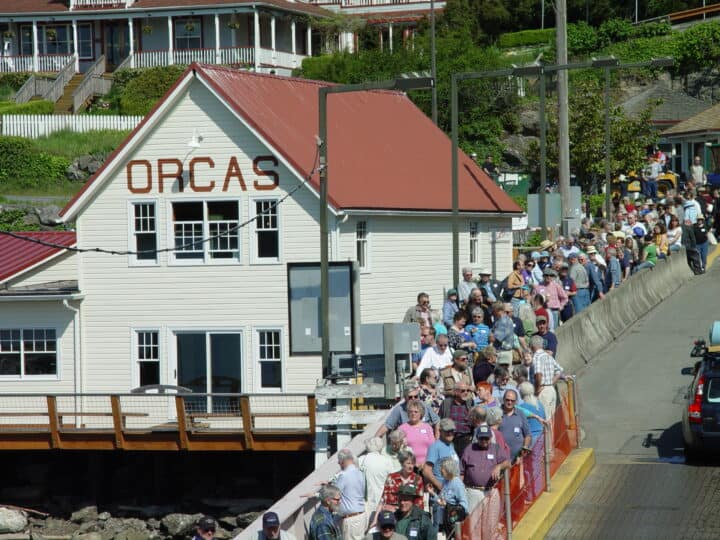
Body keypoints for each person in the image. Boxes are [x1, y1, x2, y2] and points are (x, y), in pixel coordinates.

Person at [460, 425, 510, 512]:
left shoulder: (496, 448)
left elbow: (508, 462)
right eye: (481, 438)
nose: (484, 441)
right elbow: (461, 472)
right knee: (474, 523)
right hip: (473, 491)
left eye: (486, 438)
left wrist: (498, 467)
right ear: (477, 438)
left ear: (490, 438)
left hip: (492, 491)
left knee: (491, 523)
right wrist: (461, 491)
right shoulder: (469, 449)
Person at [334, 448, 367, 540]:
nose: (338, 463)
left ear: (342, 461)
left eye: (339, 461)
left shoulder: (344, 475)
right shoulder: (361, 473)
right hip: (361, 515)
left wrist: (316, 494)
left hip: (351, 519)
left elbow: (334, 494)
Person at [529, 335, 563, 417]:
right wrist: (551, 382)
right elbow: (560, 370)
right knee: (551, 420)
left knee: (544, 420)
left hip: (543, 391)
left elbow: (538, 374)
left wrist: (537, 390)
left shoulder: (536, 357)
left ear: (532, 346)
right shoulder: (548, 356)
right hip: (551, 389)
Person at [359, 438, 396, 512]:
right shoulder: (387, 461)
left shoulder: (361, 460)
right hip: (382, 500)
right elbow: (392, 481)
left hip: (365, 502)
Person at [435, 457, 469, 535]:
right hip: (444, 521)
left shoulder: (457, 483)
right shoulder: (445, 481)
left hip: (454, 523)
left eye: (442, 468)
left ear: (448, 469)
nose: (440, 470)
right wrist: (433, 493)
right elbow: (442, 499)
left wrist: (447, 505)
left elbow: (464, 506)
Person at [439, 384, 474, 456]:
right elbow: (440, 419)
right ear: (455, 392)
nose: (466, 393)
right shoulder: (446, 403)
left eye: (468, 390)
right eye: (463, 391)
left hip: (466, 438)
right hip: (450, 437)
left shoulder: (470, 403)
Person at [398, 400, 436, 465]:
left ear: (421, 413)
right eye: (411, 412)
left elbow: (433, 447)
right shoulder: (402, 428)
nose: (413, 414)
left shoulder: (427, 427)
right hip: (409, 465)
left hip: (426, 465)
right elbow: (398, 449)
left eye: (416, 412)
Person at [498, 389, 532, 461]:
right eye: (507, 400)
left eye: (512, 401)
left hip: (518, 459)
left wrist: (525, 448)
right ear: (503, 399)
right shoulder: (497, 413)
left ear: (516, 401)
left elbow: (528, 435)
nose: (509, 402)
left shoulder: (521, 414)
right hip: (500, 458)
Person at [491, 302, 515, 366]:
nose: (492, 313)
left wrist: (490, 335)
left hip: (503, 353)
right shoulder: (501, 320)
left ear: (498, 311)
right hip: (503, 352)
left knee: (503, 374)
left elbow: (494, 338)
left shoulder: (503, 321)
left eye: (493, 311)